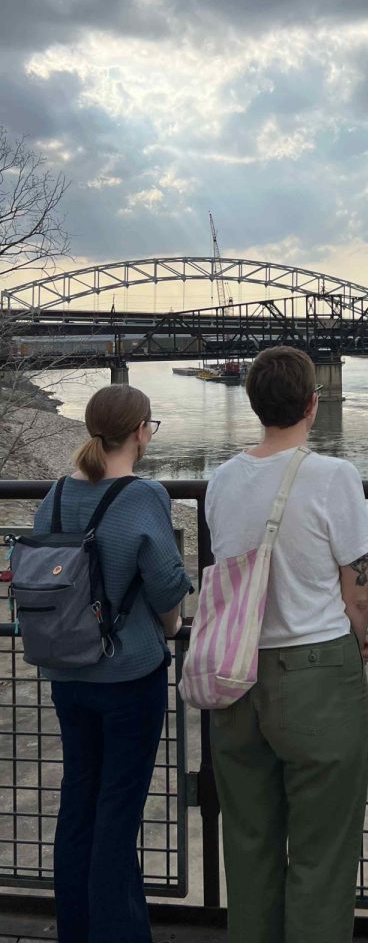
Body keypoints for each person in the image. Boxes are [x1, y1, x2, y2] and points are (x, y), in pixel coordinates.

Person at [206, 346, 368, 943]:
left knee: (248, 841)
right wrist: (362, 635)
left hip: (236, 673)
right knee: (322, 851)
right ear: (312, 403)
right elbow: (357, 584)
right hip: (317, 673)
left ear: (255, 405)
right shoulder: (334, 477)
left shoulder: (221, 480)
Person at [34, 384, 192, 943]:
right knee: (118, 812)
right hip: (128, 677)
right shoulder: (142, 494)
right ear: (142, 431)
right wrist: (171, 627)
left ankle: (76, 930)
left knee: (78, 802)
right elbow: (168, 582)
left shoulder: (54, 494)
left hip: (67, 671)